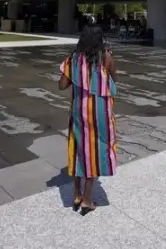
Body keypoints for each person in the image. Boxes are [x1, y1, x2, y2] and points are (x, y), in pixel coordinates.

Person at [58, 24, 118, 213]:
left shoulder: (72, 60)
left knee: (78, 149)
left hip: (79, 110)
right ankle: (87, 199)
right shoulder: (106, 57)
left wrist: (76, 75)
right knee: (96, 149)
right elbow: (114, 79)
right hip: (100, 110)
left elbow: (61, 85)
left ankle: (76, 194)